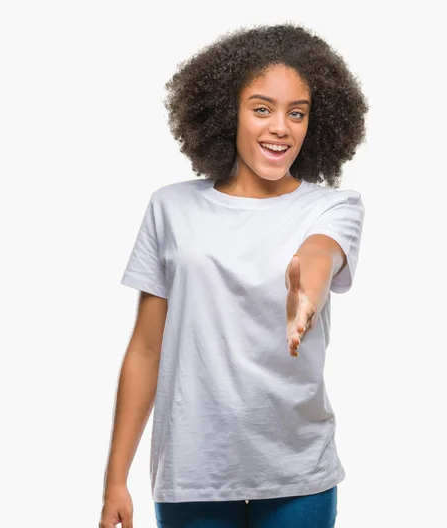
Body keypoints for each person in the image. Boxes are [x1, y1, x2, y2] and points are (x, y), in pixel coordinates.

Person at [99, 22, 368, 528]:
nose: (280, 128)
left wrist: (306, 288)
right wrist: (116, 478)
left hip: (297, 471)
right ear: (228, 113)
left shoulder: (333, 206)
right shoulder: (171, 207)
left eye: (297, 113)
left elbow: (320, 254)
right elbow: (146, 348)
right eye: (262, 109)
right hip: (194, 468)